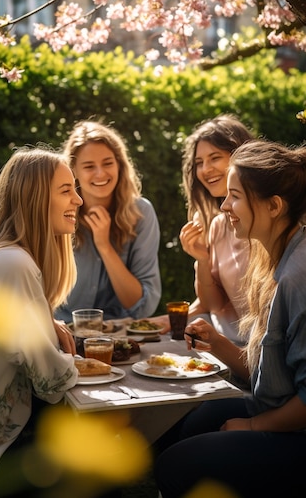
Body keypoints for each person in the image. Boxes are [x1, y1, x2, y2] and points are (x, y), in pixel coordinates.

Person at [155, 139, 306, 498]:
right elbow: (274, 373)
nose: (224, 206)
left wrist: (253, 426)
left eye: (235, 196)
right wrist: (219, 345)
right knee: (188, 427)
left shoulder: (297, 277)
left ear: (273, 206)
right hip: (276, 406)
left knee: (173, 467)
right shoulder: (274, 257)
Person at [0, 145, 83, 495]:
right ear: (36, 198)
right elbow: (52, 383)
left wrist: (46, 321)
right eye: (66, 190)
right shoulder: (14, 264)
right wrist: (71, 358)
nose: (79, 200)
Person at [151, 114, 254, 344]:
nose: (206, 169)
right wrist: (203, 260)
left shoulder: (264, 220)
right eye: (199, 163)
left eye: (215, 158)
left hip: (262, 351)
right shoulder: (217, 225)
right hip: (225, 344)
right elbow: (213, 305)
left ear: (241, 155)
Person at [54, 120, 161, 323]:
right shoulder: (57, 212)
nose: (100, 173)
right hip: (62, 329)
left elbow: (141, 306)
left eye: (107, 163)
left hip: (120, 333)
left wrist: (104, 245)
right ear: (73, 171)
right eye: (89, 166)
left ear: (120, 165)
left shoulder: (141, 213)